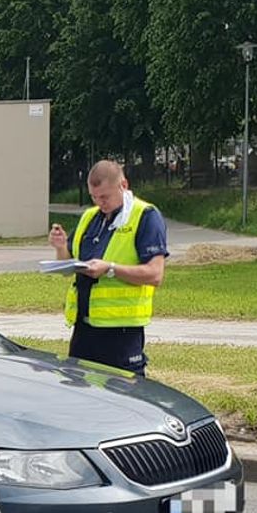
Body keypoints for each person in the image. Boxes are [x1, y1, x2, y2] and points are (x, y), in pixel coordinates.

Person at [47, 160, 168, 375]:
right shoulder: (89, 217)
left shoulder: (146, 216)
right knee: (80, 391)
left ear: (123, 185)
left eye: (105, 197)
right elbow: (69, 263)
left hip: (121, 330)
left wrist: (110, 268)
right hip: (84, 327)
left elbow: (155, 274)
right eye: (94, 197)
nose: (99, 203)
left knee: (125, 395)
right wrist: (60, 248)